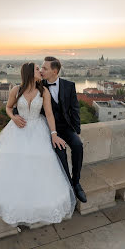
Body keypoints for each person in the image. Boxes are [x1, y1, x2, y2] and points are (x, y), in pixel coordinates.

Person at [0, 62, 76, 228]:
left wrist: (54, 134)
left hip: (38, 129)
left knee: (40, 166)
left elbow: (50, 115)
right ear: (30, 73)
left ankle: (34, 205)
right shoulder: (15, 90)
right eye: (38, 69)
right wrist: (13, 117)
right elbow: (8, 108)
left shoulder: (43, 91)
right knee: (12, 166)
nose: (41, 71)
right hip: (17, 130)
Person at [38, 56, 87, 203]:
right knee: (61, 152)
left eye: (45, 68)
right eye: (41, 68)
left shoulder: (69, 85)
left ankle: (76, 182)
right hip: (49, 129)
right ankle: (68, 185)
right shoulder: (38, 85)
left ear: (55, 71)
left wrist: (76, 131)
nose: (41, 71)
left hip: (66, 127)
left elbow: (75, 109)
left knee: (78, 146)